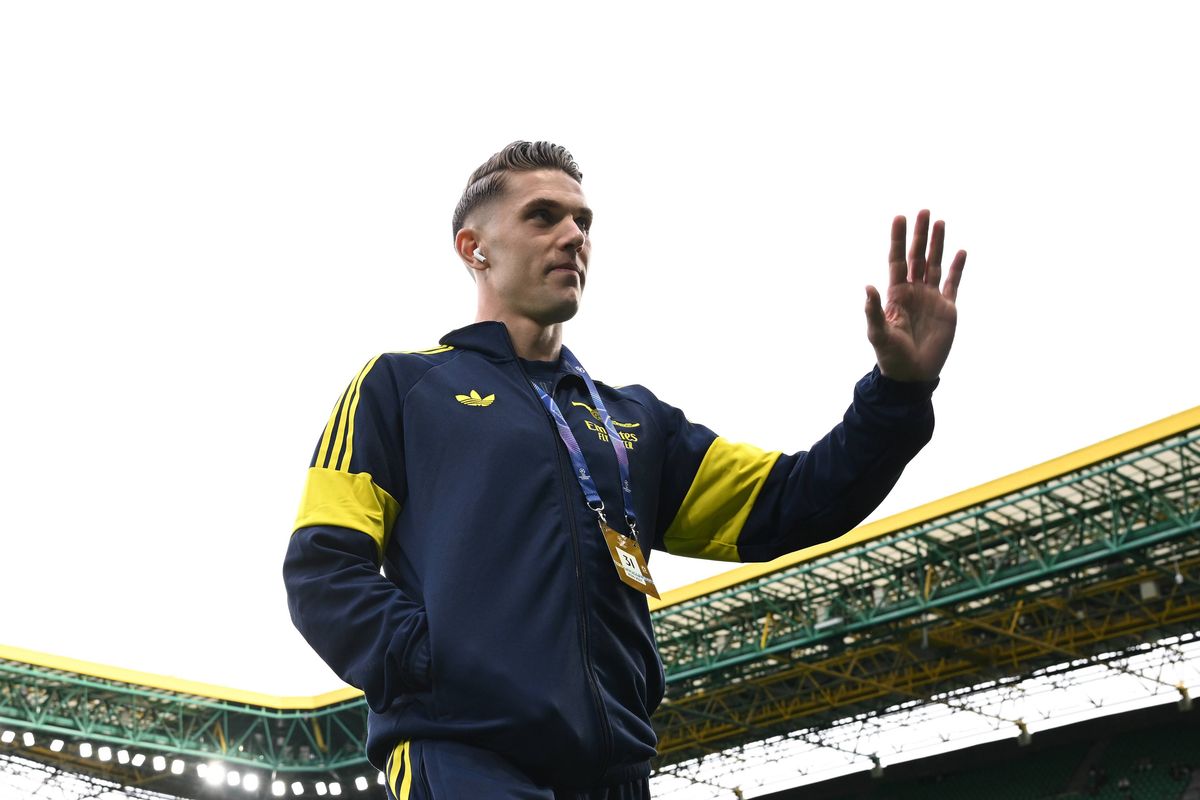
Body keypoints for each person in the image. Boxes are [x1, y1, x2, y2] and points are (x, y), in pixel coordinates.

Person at [283, 141, 967, 799]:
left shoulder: (635, 421)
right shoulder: (403, 389)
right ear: (474, 247)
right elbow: (323, 569)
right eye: (543, 216)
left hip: (617, 770)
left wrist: (898, 393)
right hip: (466, 753)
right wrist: (435, 666)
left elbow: (794, 500)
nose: (573, 236)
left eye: (584, 222)